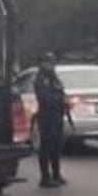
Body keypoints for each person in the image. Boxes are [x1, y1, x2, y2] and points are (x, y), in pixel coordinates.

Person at [33, 55, 73, 188]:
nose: (51, 65)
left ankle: (56, 174)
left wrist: (65, 104)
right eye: (48, 63)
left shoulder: (54, 78)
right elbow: (45, 98)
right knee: (46, 147)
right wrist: (59, 99)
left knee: (56, 146)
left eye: (52, 62)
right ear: (42, 64)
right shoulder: (41, 79)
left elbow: (61, 93)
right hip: (46, 116)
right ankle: (45, 177)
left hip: (57, 115)